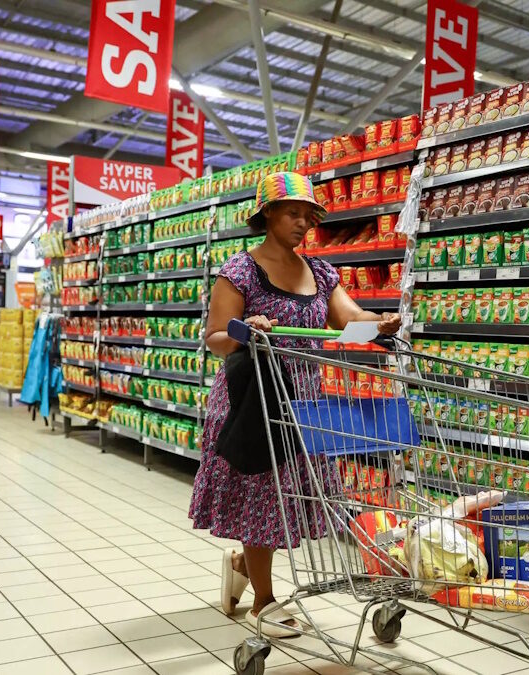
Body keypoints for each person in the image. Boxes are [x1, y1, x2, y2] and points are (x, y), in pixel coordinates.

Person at [188, 171, 401, 636]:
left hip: (302, 399)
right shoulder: (240, 270)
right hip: (254, 399)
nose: (304, 223)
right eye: (293, 213)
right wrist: (248, 332)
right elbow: (216, 339)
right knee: (262, 497)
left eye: (309, 215)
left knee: (288, 497)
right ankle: (263, 601)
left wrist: (377, 325)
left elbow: (349, 324)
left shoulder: (321, 272)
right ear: (267, 214)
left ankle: (245, 563)